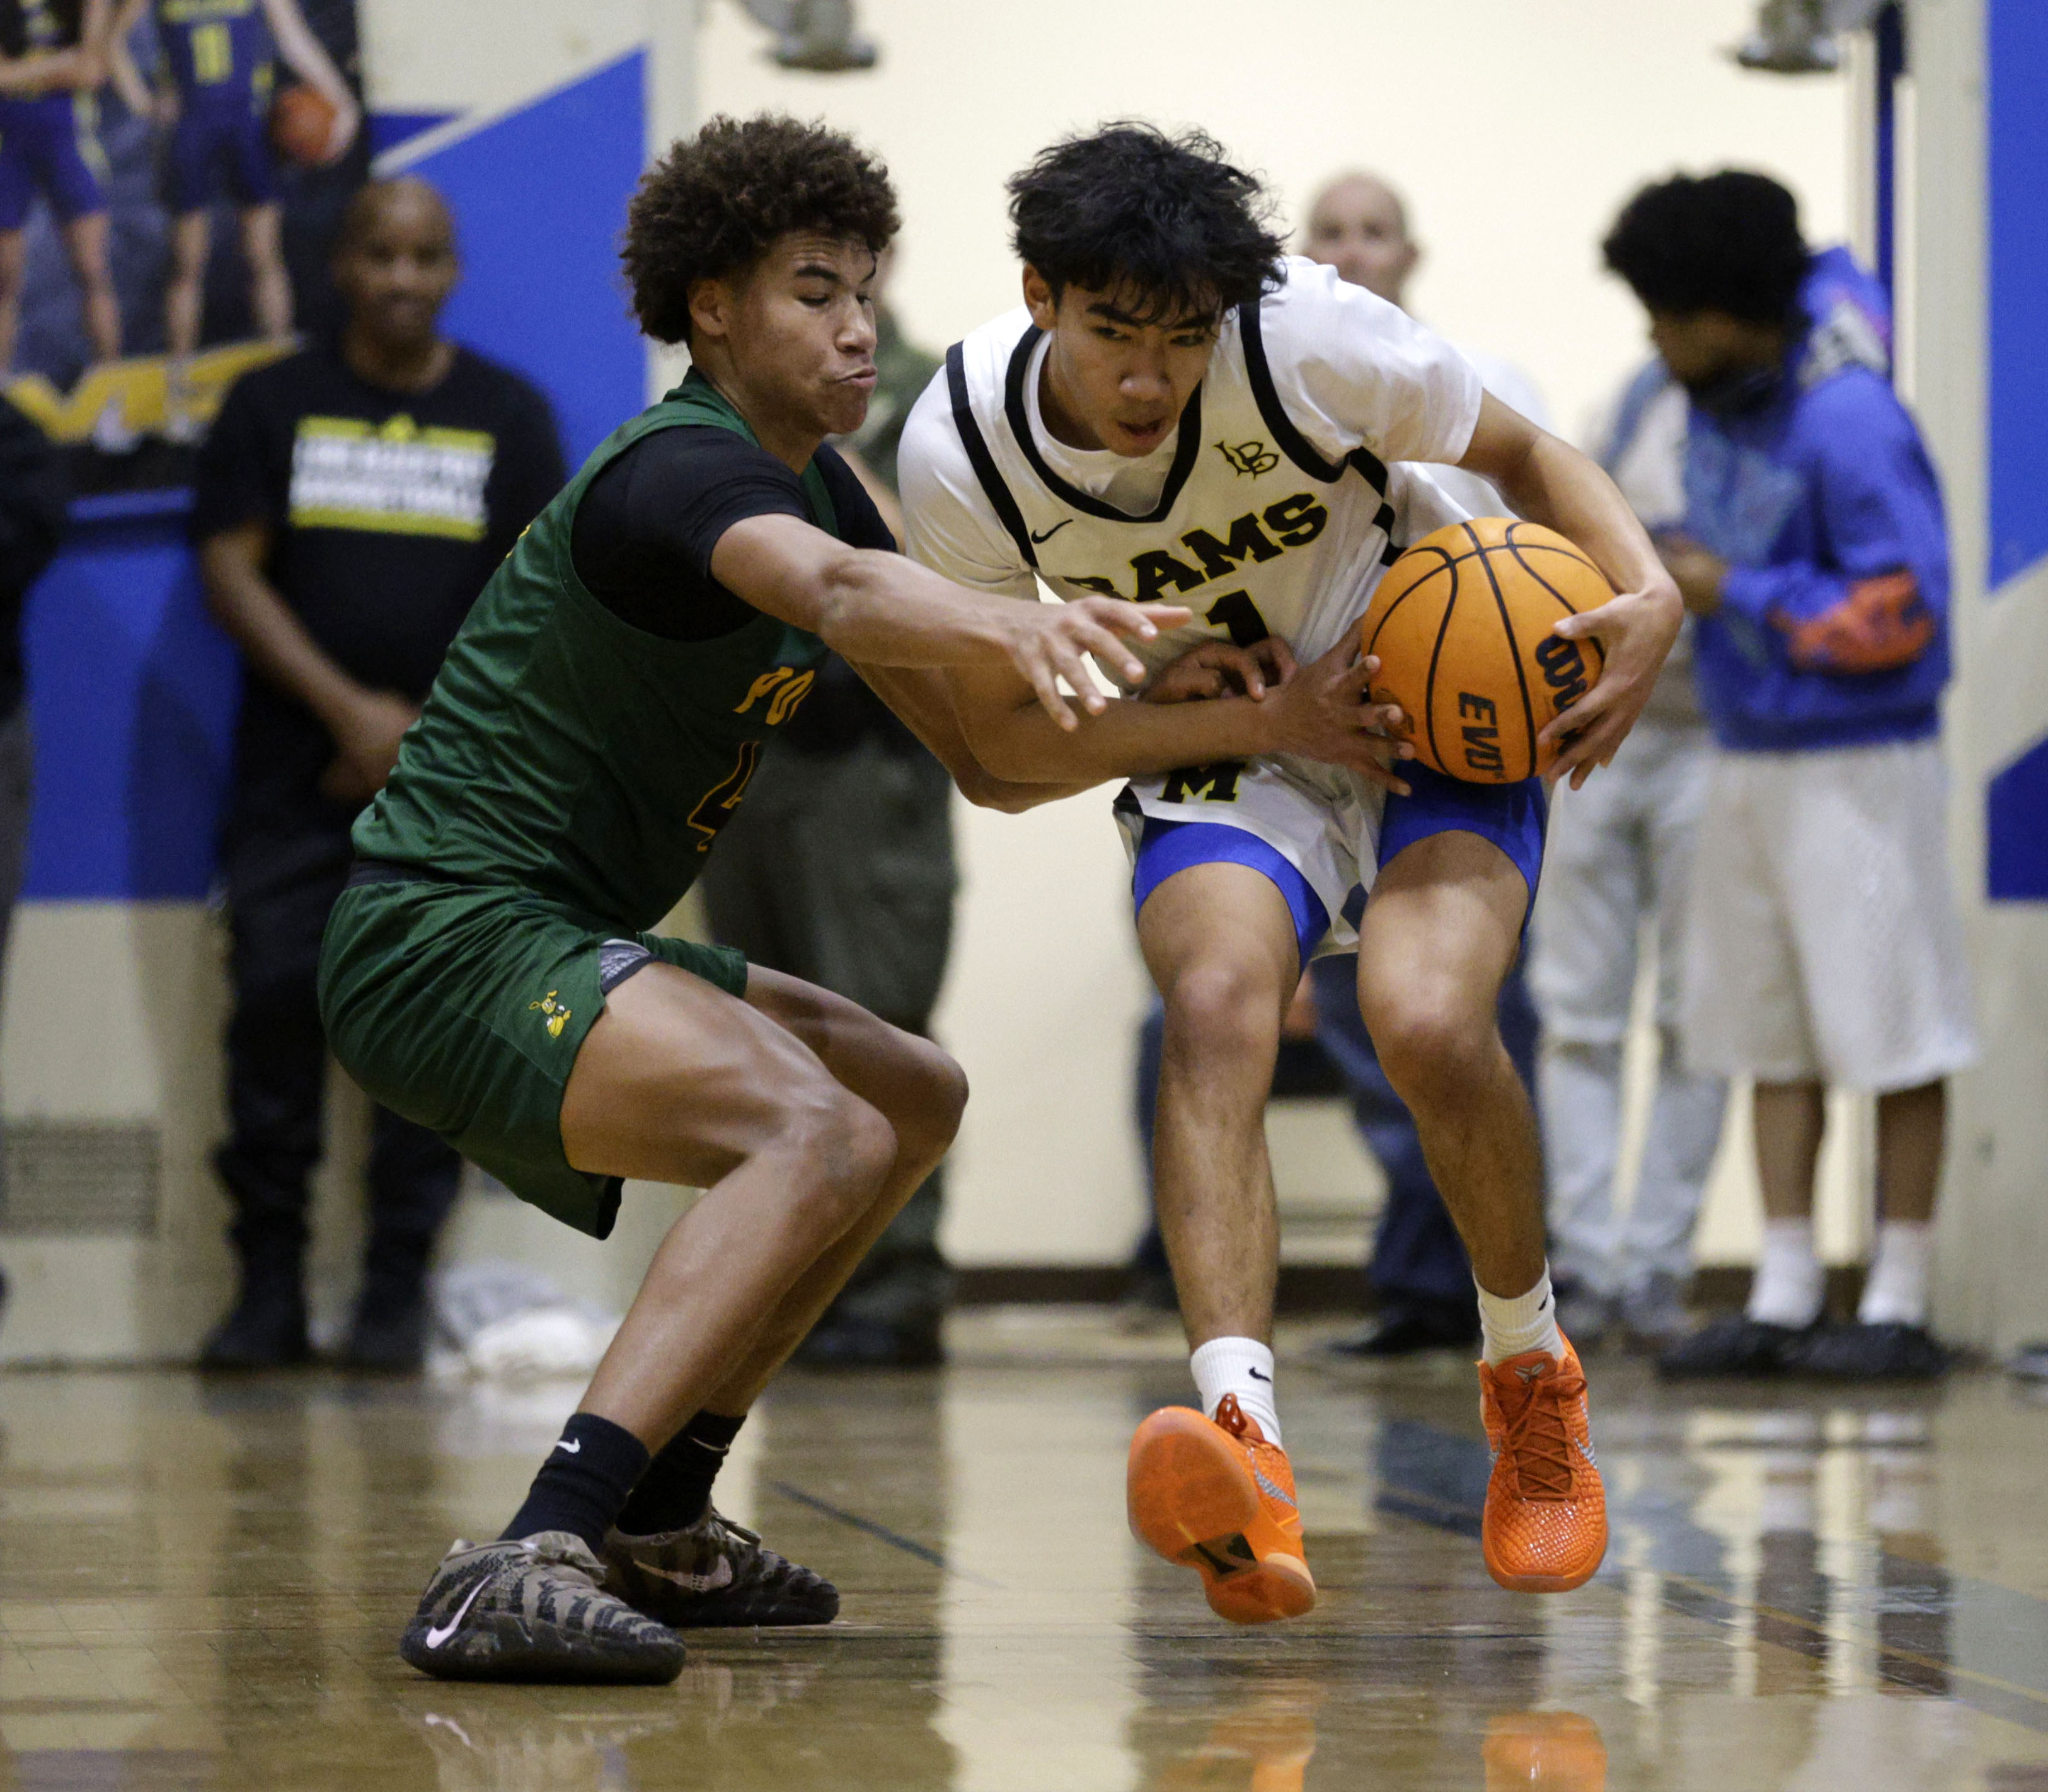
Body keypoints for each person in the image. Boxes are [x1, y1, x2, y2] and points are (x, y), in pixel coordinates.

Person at [314, 115, 1200, 1684]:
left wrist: (1274, 713)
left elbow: (995, 763)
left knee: (905, 1090)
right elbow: (855, 600)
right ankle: (529, 1546)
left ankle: (661, 1513)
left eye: (868, 288)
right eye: (814, 290)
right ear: (712, 308)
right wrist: (1040, 615)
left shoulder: (831, 494)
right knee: (816, 1129)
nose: (858, 325)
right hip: (435, 931)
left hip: (555, 930)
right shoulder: (679, 474)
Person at [900, 123, 1682, 1619]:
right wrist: (1262, 712)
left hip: (1431, 681)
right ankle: (1243, 1442)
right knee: (1209, 1000)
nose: (1148, 379)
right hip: (1242, 722)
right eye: (1114, 334)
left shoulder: (1308, 336)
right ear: (1038, 295)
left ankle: (1531, 1379)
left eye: (1180, 341)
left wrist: (1644, 595)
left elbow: (1519, 448)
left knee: (1430, 1019)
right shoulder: (963, 453)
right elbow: (995, 756)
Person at [1599, 171, 1976, 1382]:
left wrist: (1734, 591)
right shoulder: (1715, 398)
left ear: (1724, 310)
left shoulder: (1848, 417)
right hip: (1748, 749)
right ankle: (1784, 1287)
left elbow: (1906, 609)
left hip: (1859, 762)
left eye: (1666, 313)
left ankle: (1902, 1294)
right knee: (1773, 1028)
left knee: (1894, 1027)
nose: (1654, 337)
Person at [193, 176, 565, 1372]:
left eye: (425, 256)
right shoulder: (272, 402)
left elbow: (541, 599)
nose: (402, 277)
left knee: (433, 1035)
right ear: (341, 266)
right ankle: (265, 1293)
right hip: (291, 783)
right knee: (270, 1019)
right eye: (379, 254)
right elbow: (232, 570)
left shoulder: (509, 414)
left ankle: (395, 1298)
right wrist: (351, 713)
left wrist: (424, 731)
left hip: (454, 792)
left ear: (450, 270)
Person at [1298, 166, 1549, 1357]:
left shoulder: (1489, 384)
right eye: (1331, 232)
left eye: (1375, 230)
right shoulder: (1279, 408)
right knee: (1377, 1043)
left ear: (1413, 251)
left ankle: (1510, 1292)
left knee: (1469, 1024)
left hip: (1480, 744)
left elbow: (1554, 573)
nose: (1353, 251)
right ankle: (1419, 1288)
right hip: (1337, 737)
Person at [697, 246, 957, 1368]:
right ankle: (787, 1286)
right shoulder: (725, 403)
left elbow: (940, 569)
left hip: (870, 752)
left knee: (875, 1016)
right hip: (749, 747)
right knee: (764, 1031)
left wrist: (833, 447)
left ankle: (890, 1292)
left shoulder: (932, 399)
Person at [1526, 353, 1730, 1350]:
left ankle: (1655, 1269)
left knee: (1698, 1018)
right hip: (1600, 722)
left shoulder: (1767, 418)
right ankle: (1582, 1265)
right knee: (1576, 1011)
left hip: (1717, 736)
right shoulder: (1622, 404)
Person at [108, 0, 359, 422]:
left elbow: (294, 38)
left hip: (249, 122)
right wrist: (144, 102)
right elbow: (112, 42)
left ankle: (283, 369)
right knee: (187, 264)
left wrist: (342, 101)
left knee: (265, 255)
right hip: (192, 126)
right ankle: (176, 389)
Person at [0, 0, 121, 370]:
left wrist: (22, 72)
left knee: (94, 270)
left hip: (68, 143)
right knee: (4, 281)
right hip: (8, 149)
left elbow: (91, 71)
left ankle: (111, 387)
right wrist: (63, 63)